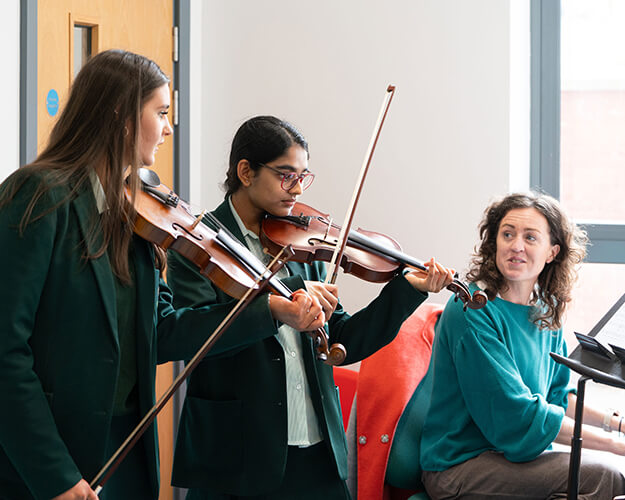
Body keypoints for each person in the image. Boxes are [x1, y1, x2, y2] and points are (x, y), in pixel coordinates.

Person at [0, 51, 325, 500]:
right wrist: (55, 475)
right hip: (50, 457)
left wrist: (269, 310)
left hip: (124, 452)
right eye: (162, 112)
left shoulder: (136, 211)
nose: (169, 128)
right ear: (122, 115)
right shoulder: (39, 193)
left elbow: (163, 331)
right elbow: (5, 352)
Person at [166, 115, 455, 499]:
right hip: (235, 456)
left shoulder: (301, 241)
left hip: (317, 452)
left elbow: (340, 339)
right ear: (246, 172)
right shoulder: (200, 244)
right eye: (286, 175)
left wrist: (405, 292)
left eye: (304, 176)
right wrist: (284, 298)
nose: (298, 189)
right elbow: (194, 337)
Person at [401, 192, 625, 499]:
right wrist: (616, 446)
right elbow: (515, 412)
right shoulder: (472, 309)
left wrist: (617, 424)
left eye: (530, 237)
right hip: (459, 467)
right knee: (604, 475)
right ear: (495, 243)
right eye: (507, 234)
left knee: (597, 476)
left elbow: (558, 396)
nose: (516, 245)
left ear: (552, 252)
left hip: (513, 460)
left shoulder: (546, 310)